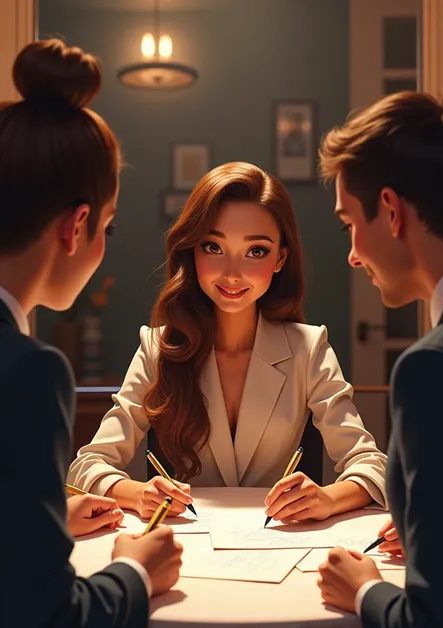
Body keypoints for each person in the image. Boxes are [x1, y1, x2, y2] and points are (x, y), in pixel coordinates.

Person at [0, 39, 182, 628]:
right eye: (107, 224)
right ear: (76, 226)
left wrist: (43, 515)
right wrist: (135, 572)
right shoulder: (27, 370)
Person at [68, 161, 387, 523]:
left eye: (256, 251)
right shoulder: (157, 349)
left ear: (281, 258)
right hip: (181, 550)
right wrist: (139, 492)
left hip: (278, 550)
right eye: (213, 247)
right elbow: (88, 465)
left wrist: (328, 498)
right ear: (191, 250)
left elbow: (371, 465)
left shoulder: (308, 348)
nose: (232, 273)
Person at [316, 91, 443, 628]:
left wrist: (362, 589)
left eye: (350, 225)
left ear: (391, 210)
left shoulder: (435, 366)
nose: (353, 254)